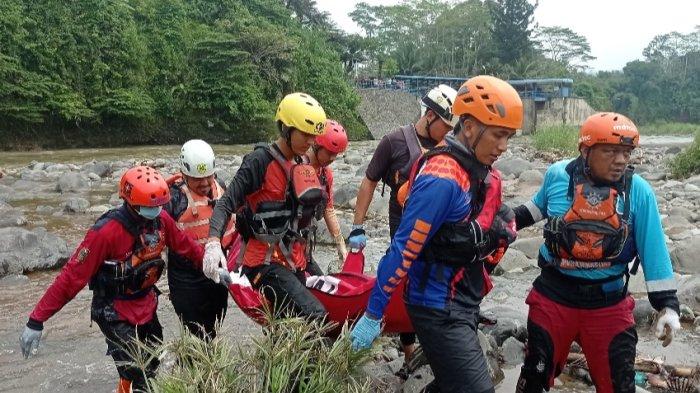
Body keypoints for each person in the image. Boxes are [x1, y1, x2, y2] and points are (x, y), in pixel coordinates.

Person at [350, 75, 523, 393]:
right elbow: (403, 249)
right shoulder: (442, 178)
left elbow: (489, 225)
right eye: (498, 135)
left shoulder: (482, 171)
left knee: (449, 384)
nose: (503, 147)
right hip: (436, 306)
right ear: (469, 126)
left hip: (463, 298)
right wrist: (373, 314)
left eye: (509, 137)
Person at [513, 112, 681, 393]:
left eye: (626, 152)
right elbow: (532, 211)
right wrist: (494, 222)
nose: (620, 160)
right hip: (553, 297)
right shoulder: (557, 175)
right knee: (534, 379)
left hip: (608, 304)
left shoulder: (638, 192)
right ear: (585, 150)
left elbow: (654, 250)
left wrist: (668, 306)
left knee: (618, 385)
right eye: (611, 151)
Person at [19, 166, 208, 393]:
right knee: (140, 372)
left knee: (153, 358)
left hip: (145, 302)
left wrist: (213, 266)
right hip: (113, 311)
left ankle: (123, 388)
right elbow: (71, 278)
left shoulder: (161, 219)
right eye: (150, 207)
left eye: (158, 206)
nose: (156, 211)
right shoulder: (105, 233)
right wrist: (36, 320)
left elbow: (185, 245)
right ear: (130, 202)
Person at [348, 83, 458, 364]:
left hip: (436, 243)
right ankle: (409, 354)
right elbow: (370, 181)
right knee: (403, 292)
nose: (448, 132)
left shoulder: (449, 151)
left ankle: (436, 351)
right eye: (446, 125)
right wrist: (358, 226)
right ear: (430, 115)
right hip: (403, 238)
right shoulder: (394, 141)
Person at [203, 92, 329, 321]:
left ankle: (281, 356)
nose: (312, 141)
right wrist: (213, 242)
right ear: (286, 129)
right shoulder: (258, 162)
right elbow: (225, 204)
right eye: (306, 134)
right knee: (315, 314)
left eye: (314, 136)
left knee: (285, 321)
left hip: (294, 259)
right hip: (262, 264)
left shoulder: (302, 164)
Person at [164, 139, 239, 340]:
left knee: (214, 326)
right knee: (195, 333)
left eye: (208, 177)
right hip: (186, 278)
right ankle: (190, 365)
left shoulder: (220, 186)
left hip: (218, 268)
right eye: (198, 179)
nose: (205, 184)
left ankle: (206, 366)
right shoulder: (173, 199)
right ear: (185, 174)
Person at [306, 119, 350, 272]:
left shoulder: (326, 175)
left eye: (336, 155)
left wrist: (341, 246)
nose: (332, 158)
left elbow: (328, 209)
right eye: (330, 153)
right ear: (317, 145)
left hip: (303, 245)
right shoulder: (296, 165)